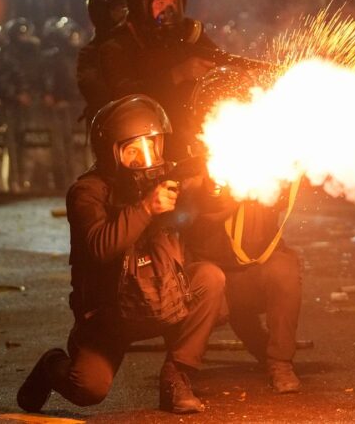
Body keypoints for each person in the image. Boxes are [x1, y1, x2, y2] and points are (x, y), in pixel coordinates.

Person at [16, 94, 225, 414]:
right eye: (134, 151)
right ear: (110, 153)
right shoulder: (86, 193)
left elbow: (202, 217)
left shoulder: (165, 180)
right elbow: (101, 246)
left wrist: (213, 191)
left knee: (210, 278)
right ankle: (50, 366)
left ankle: (176, 375)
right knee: (88, 388)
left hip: (162, 296)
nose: (147, 158)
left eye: (152, 146)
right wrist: (146, 208)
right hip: (109, 316)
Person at [181, 66, 304, 393]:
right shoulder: (193, 161)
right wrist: (216, 187)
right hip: (209, 279)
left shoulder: (269, 149)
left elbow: (283, 192)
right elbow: (195, 214)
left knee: (285, 268)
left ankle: (279, 361)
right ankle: (179, 373)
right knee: (211, 287)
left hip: (251, 273)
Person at [99, 0, 218, 159]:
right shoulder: (118, 45)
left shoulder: (190, 35)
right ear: (141, 5)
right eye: (161, 2)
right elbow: (125, 97)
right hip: (143, 148)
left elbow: (220, 63)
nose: (169, 10)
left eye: (174, 2)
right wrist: (178, 74)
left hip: (192, 140)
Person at [77, 0, 127, 125]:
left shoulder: (144, 44)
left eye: (130, 8)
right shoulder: (91, 53)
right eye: (120, 8)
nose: (126, 14)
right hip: (111, 124)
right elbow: (94, 90)